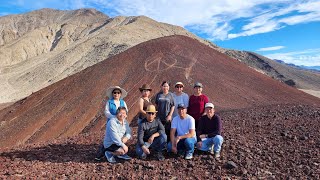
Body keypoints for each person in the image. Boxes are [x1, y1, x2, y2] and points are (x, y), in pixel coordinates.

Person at [95, 86, 128, 161]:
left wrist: (123, 118)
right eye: (115, 92)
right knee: (110, 136)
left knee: (120, 135)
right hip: (112, 121)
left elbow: (126, 111)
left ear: (120, 94)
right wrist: (114, 117)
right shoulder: (109, 102)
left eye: (118, 93)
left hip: (121, 121)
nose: (116, 94)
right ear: (112, 94)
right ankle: (105, 150)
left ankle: (116, 150)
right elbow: (106, 112)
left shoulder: (123, 102)